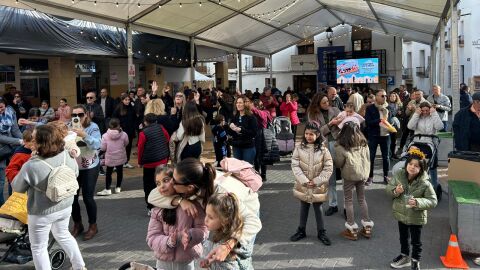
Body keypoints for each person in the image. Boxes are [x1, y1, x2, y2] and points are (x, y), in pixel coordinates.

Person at [147, 158, 261, 266]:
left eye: (174, 181)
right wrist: (180, 200)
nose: (170, 183)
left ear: (190, 187)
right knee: (219, 258)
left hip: (244, 216)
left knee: (240, 258)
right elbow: (152, 196)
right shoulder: (190, 180)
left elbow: (253, 222)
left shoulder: (222, 193)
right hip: (222, 215)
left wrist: (228, 245)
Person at [12, 125, 86, 270]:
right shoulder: (67, 154)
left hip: (41, 211)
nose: (32, 141)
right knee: (63, 234)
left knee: (39, 247)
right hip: (65, 205)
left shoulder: (31, 165)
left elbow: (17, 187)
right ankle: (79, 266)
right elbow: (75, 173)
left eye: (34, 138)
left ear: (40, 143)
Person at [147, 165, 207, 270]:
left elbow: (203, 230)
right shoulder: (157, 208)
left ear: (175, 181)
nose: (162, 186)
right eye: (158, 183)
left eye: (166, 180)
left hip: (186, 262)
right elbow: (152, 237)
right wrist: (168, 242)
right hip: (162, 262)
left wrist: (191, 235)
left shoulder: (193, 205)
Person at [386, 150, 437, 270]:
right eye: (410, 164)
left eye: (416, 166)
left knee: (416, 241)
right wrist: (395, 191)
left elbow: (433, 200)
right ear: (406, 164)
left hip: (416, 216)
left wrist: (418, 202)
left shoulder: (425, 183)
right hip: (401, 214)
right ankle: (404, 256)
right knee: (403, 237)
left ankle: (415, 260)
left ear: (422, 169)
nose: (412, 167)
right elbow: (388, 189)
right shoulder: (399, 175)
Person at [290, 121, 333, 245]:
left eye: (311, 134)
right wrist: (304, 180)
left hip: (317, 186)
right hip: (303, 185)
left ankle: (322, 232)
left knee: (318, 208)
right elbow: (295, 165)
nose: (308, 136)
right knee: (303, 207)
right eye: (307, 133)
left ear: (318, 135)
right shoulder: (299, 148)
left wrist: (317, 181)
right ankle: (301, 230)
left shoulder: (324, 150)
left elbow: (328, 167)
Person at [334, 122, 373, 241]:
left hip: (349, 176)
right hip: (362, 175)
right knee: (362, 199)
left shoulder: (341, 146)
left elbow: (339, 163)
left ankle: (352, 228)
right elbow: (368, 159)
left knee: (349, 200)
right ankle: (367, 227)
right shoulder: (364, 143)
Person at [70, 104, 102, 241]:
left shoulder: (93, 127)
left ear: (86, 115)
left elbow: (97, 144)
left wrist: (84, 135)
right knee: (72, 198)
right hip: (74, 167)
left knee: (88, 197)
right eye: (74, 115)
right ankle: (78, 224)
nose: (77, 118)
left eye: (80, 115)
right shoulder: (68, 127)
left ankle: (93, 225)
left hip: (90, 166)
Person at [306, 93, 341, 216]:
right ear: (318, 104)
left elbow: (345, 125)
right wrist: (331, 124)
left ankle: (348, 207)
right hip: (325, 146)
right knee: (330, 176)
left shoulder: (335, 110)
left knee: (347, 175)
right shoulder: (313, 115)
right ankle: (333, 204)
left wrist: (341, 123)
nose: (327, 104)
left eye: (328, 101)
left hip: (340, 144)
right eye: (324, 102)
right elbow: (316, 132)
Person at [200, 193, 252, 270]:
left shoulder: (228, 255)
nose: (206, 220)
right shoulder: (215, 233)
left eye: (210, 217)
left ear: (225, 220)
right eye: (206, 214)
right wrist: (208, 264)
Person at [138, 113, 170, 214]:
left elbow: (140, 148)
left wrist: (140, 162)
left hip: (149, 163)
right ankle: (164, 204)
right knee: (163, 182)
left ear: (145, 122)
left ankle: (151, 207)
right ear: (156, 121)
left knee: (148, 185)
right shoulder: (161, 127)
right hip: (162, 160)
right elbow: (167, 139)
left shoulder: (143, 133)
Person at [407, 102, 443, 191]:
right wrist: (416, 114)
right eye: (423, 111)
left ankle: (434, 185)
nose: (425, 112)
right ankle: (410, 180)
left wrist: (434, 113)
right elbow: (410, 126)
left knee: (432, 163)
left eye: (427, 110)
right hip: (416, 141)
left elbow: (440, 127)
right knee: (411, 157)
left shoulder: (433, 116)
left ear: (430, 110)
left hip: (429, 142)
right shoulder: (417, 116)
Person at [365, 89, 393, 185]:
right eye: (382, 96)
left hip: (386, 135)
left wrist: (391, 122)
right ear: (376, 97)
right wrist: (379, 120)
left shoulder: (388, 107)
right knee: (371, 157)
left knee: (386, 157)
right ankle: (370, 177)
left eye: (385, 96)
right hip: (374, 135)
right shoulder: (370, 108)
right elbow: (368, 122)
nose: (384, 97)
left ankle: (386, 176)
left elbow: (391, 120)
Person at [96, 118, 128, 196]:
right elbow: (126, 143)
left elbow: (103, 148)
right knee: (120, 172)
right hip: (120, 156)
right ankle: (118, 187)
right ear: (119, 125)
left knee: (108, 173)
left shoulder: (105, 136)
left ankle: (108, 189)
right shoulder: (124, 134)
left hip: (110, 157)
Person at [0, 98, 22, 206]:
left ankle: (11, 207)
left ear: (5, 105)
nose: (0, 109)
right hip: (1, 151)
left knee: (12, 179)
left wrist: (25, 141)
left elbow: (15, 130)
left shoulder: (10, 112)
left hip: (11, 149)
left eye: (1, 107)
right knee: (0, 182)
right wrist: (19, 141)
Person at [227, 95, 258, 164]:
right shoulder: (235, 117)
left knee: (246, 169)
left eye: (240, 103)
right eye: (237, 103)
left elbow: (254, 133)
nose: (238, 104)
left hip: (248, 147)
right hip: (236, 146)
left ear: (245, 104)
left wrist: (241, 130)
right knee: (238, 169)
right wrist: (229, 127)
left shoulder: (251, 117)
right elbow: (231, 133)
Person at [249, 99, 273, 182]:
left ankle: (263, 175)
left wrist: (252, 108)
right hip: (256, 135)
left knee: (262, 156)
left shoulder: (265, 112)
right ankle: (257, 173)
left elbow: (261, 115)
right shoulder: (254, 113)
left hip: (263, 135)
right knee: (256, 156)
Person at [113, 93, 137, 169]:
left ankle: (126, 162)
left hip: (130, 131)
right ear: (122, 100)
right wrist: (118, 127)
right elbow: (114, 118)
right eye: (125, 100)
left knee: (128, 147)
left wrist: (134, 126)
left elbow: (134, 118)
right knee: (120, 147)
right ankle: (118, 163)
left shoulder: (131, 108)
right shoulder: (118, 108)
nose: (127, 101)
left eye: (128, 100)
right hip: (121, 131)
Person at [388, 92, 403, 159]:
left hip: (397, 125)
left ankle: (393, 153)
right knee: (389, 140)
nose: (392, 97)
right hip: (389, 124)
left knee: (394, 140)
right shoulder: (387, 105)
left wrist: (400, 113)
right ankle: (389, 154)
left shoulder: (399, 105)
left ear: (396, 97)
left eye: (393, 96)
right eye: (391, 96)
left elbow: (403, 114)